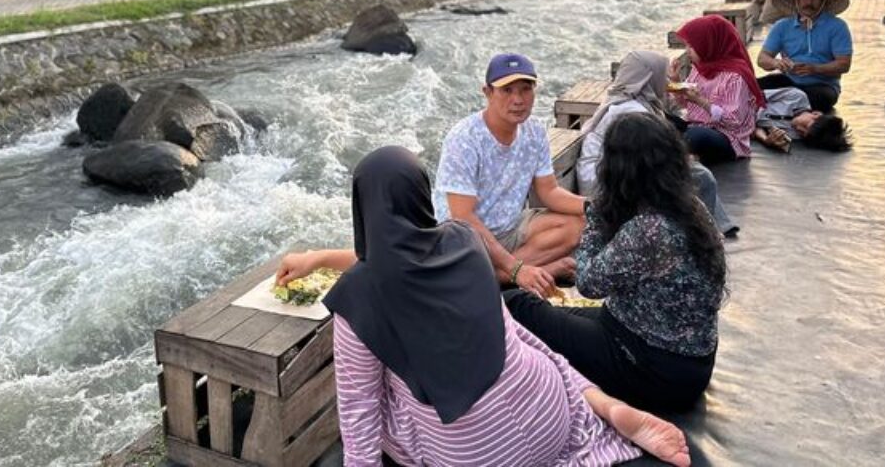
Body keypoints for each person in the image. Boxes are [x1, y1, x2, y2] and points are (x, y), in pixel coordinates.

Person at [278, 147, 692, 467]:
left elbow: (359, 415)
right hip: (553, 419)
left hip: (476, 454)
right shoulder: (462, 239)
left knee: (379, 396)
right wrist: (318, 257)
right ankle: (606, 405)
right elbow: (402, 254)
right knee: (515, 337)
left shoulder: (357, 299)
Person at [505, 114, 726, 414]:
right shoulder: (690, 206)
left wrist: (596, 213)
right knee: (551, 313)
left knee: (516, 305)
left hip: (653, 370)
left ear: (620, 168)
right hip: (686, 361)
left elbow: (588, 283)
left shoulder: (650, 229)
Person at [434, 53, 586, 296]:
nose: (518, 100)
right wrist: (516, 270)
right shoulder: (464, 139)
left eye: (526, 89)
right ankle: (521, 274)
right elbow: (463, 217)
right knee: (468, 248)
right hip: (465, 238)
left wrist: (593, 206)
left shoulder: (534, 131)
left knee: (578, 224)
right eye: (507, 90)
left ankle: (494, 277)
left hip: (510, 228)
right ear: (487, 92)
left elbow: (549, 192)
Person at [575, 50, 737, 236]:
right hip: (604, 182)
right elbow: (648, 159)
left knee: (695, 171)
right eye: (663, 77)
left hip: (620, 172)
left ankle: (709, 228)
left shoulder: (637, 103)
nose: (666, 83)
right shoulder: (630, 112)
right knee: (699, 176)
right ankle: (703, 233)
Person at [670, 15, 765, 164]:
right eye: (686, 46)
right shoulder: (699, 69)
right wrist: (676, 82)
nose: (687, 51)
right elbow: (684, 104)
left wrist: (701, 101)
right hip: (696, 125)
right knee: (662, 120)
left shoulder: (735, 76)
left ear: (708, 44)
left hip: (727, 137)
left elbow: (733, 121)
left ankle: (678, 156)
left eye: (691, 46)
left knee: (695, 136)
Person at [756, 0, 852, 112]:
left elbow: (844, 64)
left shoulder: (837, 26)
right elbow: (762, 58)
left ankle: (782, 103)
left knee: (819, 98)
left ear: (823, 1)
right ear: (796, 0)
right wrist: (777, 63)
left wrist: (815, 69)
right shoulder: (782, 26)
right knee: (751, 86)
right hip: (789, 81)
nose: (809, 2)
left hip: (822, 86)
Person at [753, 86, 853, 153]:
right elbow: (758, 95)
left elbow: (756, 129)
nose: (800, 129)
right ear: (816, 114)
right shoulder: (797, 97)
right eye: (805, 126)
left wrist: (766, 140)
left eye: (803, 134)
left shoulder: (794, 136)